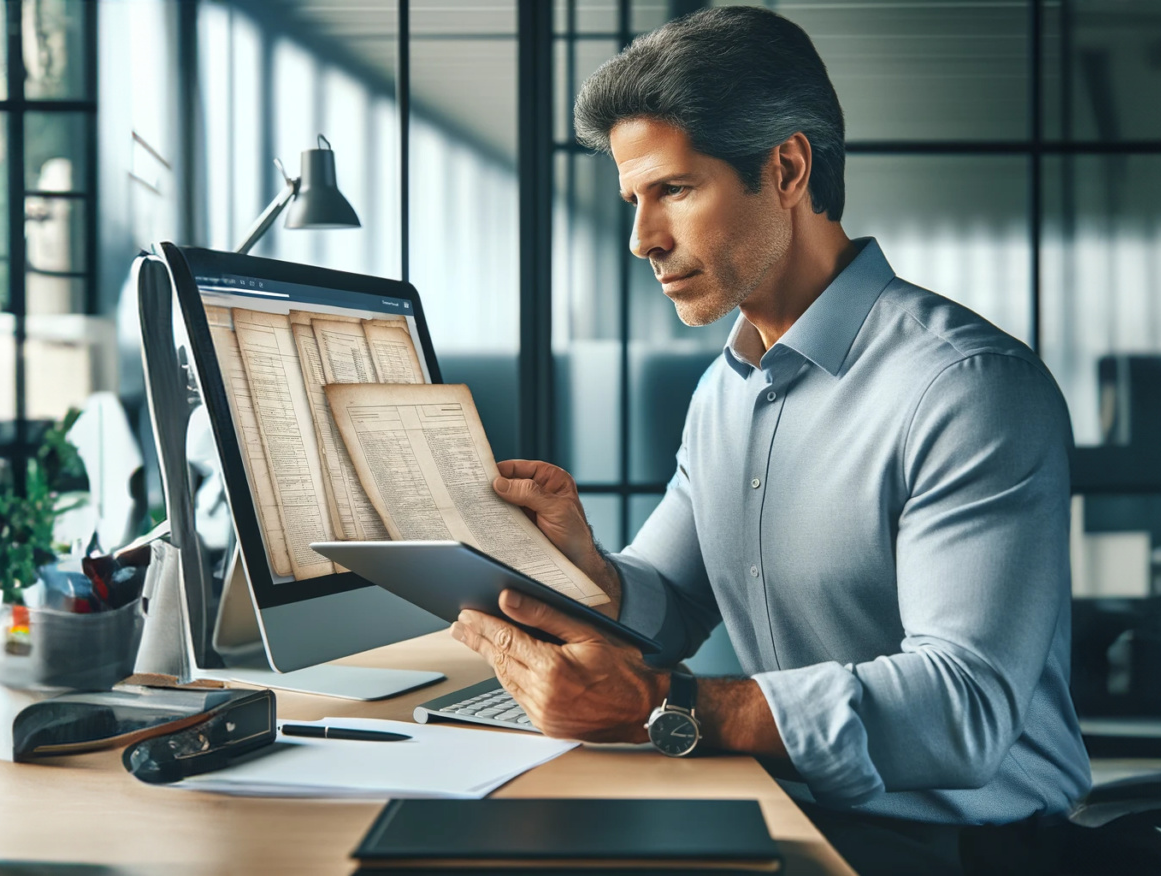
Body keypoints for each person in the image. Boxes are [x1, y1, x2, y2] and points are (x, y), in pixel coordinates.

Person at [444, 7, 1122, 875]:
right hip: (803, 811)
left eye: (675, 191)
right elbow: (674, 603)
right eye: (634, 200)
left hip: (970, 849)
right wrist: (593, 570)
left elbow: (964, 707)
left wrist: (666, 706)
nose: (642, 239)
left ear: (788, 168)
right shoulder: (725, 392)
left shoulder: (965, 389)